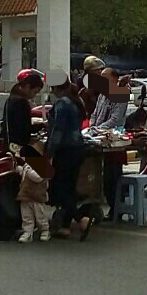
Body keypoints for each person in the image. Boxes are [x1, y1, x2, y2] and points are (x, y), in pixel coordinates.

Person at [46, 72, 92, 241]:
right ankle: (65, 226)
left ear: (55, 87)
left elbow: (58, 130)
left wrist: (50, 151)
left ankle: (81, 219)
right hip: (78, 148)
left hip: (65, 150)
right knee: (70, 187)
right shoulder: (75, 101)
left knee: (59, 188)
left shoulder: (62, 103)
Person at [90, 67, 131, 220]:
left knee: (113, 176)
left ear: (114, 79)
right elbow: (95, 114)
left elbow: (115, 119)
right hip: (98, 136)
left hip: (114, 139)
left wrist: (98, 129)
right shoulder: (102, 95)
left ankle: (116, 209)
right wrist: (92, 127)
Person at [1, 68, 45, 155]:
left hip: (9, 144)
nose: (34, 95)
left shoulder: (11, 99)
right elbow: (24, 127)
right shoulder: (21, 103)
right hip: (17, 147)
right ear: (28, 87)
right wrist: (42, 125)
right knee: (41, 163)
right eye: (35, 92)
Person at [16, 145, 52, 243]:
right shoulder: (28, 165)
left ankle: (44, 230)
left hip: (37, 196)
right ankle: (27, 232)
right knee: (26, 216)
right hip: (25, 195)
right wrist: (19, 169)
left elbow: (37, 177)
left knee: (40, 216)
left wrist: (26, 169)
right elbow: (24, 175)